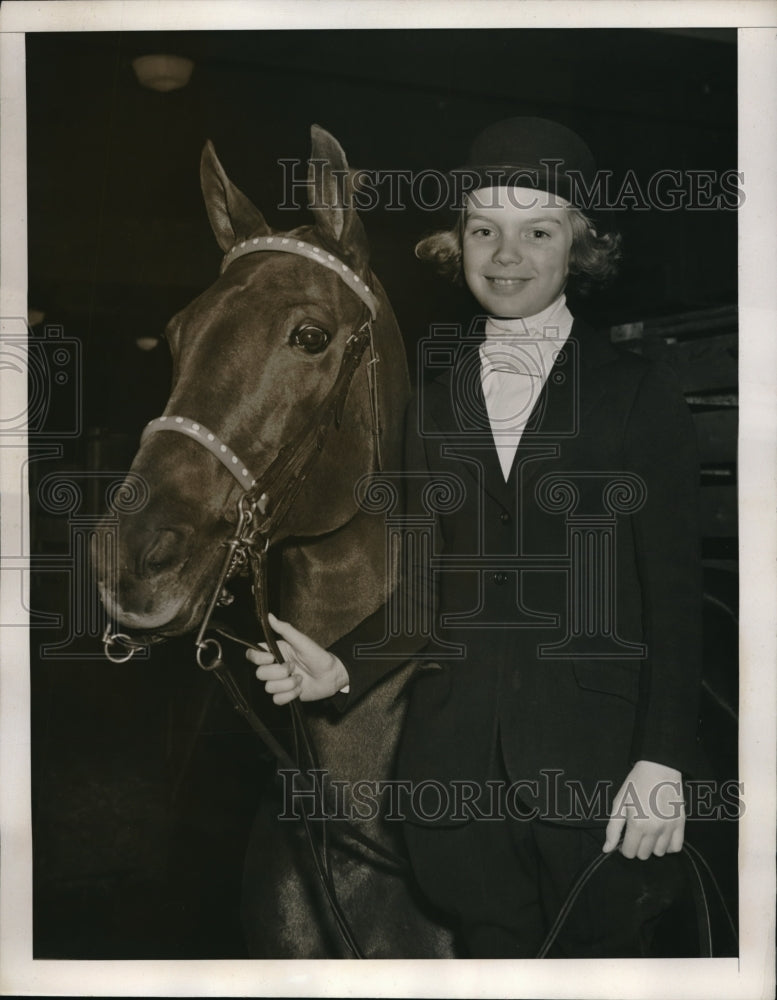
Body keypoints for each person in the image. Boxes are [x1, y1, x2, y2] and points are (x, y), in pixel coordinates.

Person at [247, 117, 703, 958]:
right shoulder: (438, 397)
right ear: (453, 244)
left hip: (600, 783)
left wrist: (663, 764)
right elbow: (426, 588)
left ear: (580, 248)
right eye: (482, 229)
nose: (505, 253)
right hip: (453, 787)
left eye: (537, 231)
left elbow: (675, 604)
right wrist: (342, 665)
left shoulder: (640, 394)